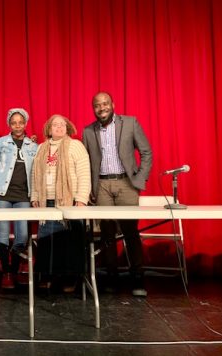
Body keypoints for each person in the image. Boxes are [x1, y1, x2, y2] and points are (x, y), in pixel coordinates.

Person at [82, 92, 152, 297]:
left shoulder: (130, 123)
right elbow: (85, 163)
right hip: (102, 185)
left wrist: (139, 179)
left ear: (113, 104)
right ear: (93, 108)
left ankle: (137, 277)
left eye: (105, 103)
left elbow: (146, 152)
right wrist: (88, 190)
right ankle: (111, 277)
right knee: (107, 235)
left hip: (126, 183)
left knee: (131, 232)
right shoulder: (88, 131)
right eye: (97, 105)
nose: (101, 108)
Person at [31, 114, 91, 292]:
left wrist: (81, 199)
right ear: (49, 129)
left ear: (68, 128)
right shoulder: (41, 148)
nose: (59, 127)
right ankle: (47, 276)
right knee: (46, 241)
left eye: (62, 124)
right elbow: (35, 175)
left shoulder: (75, 146)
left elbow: (83, 173)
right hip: (46, 202)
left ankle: (69, 278)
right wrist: (35, 196)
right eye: (55, 125)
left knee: (70, 241)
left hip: (69, 201)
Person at [0, 108, 38, 290]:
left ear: (25, 123)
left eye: (20, 122)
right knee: (3, 235)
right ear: (9, 124)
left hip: (23, 196)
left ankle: (13, 270)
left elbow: (37, 174)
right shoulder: (0, 143)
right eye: (14, 123)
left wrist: (35, 196)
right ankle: (7, 273)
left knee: (22, 236)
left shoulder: (33, 146)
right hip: (1, 194)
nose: (17, 126)